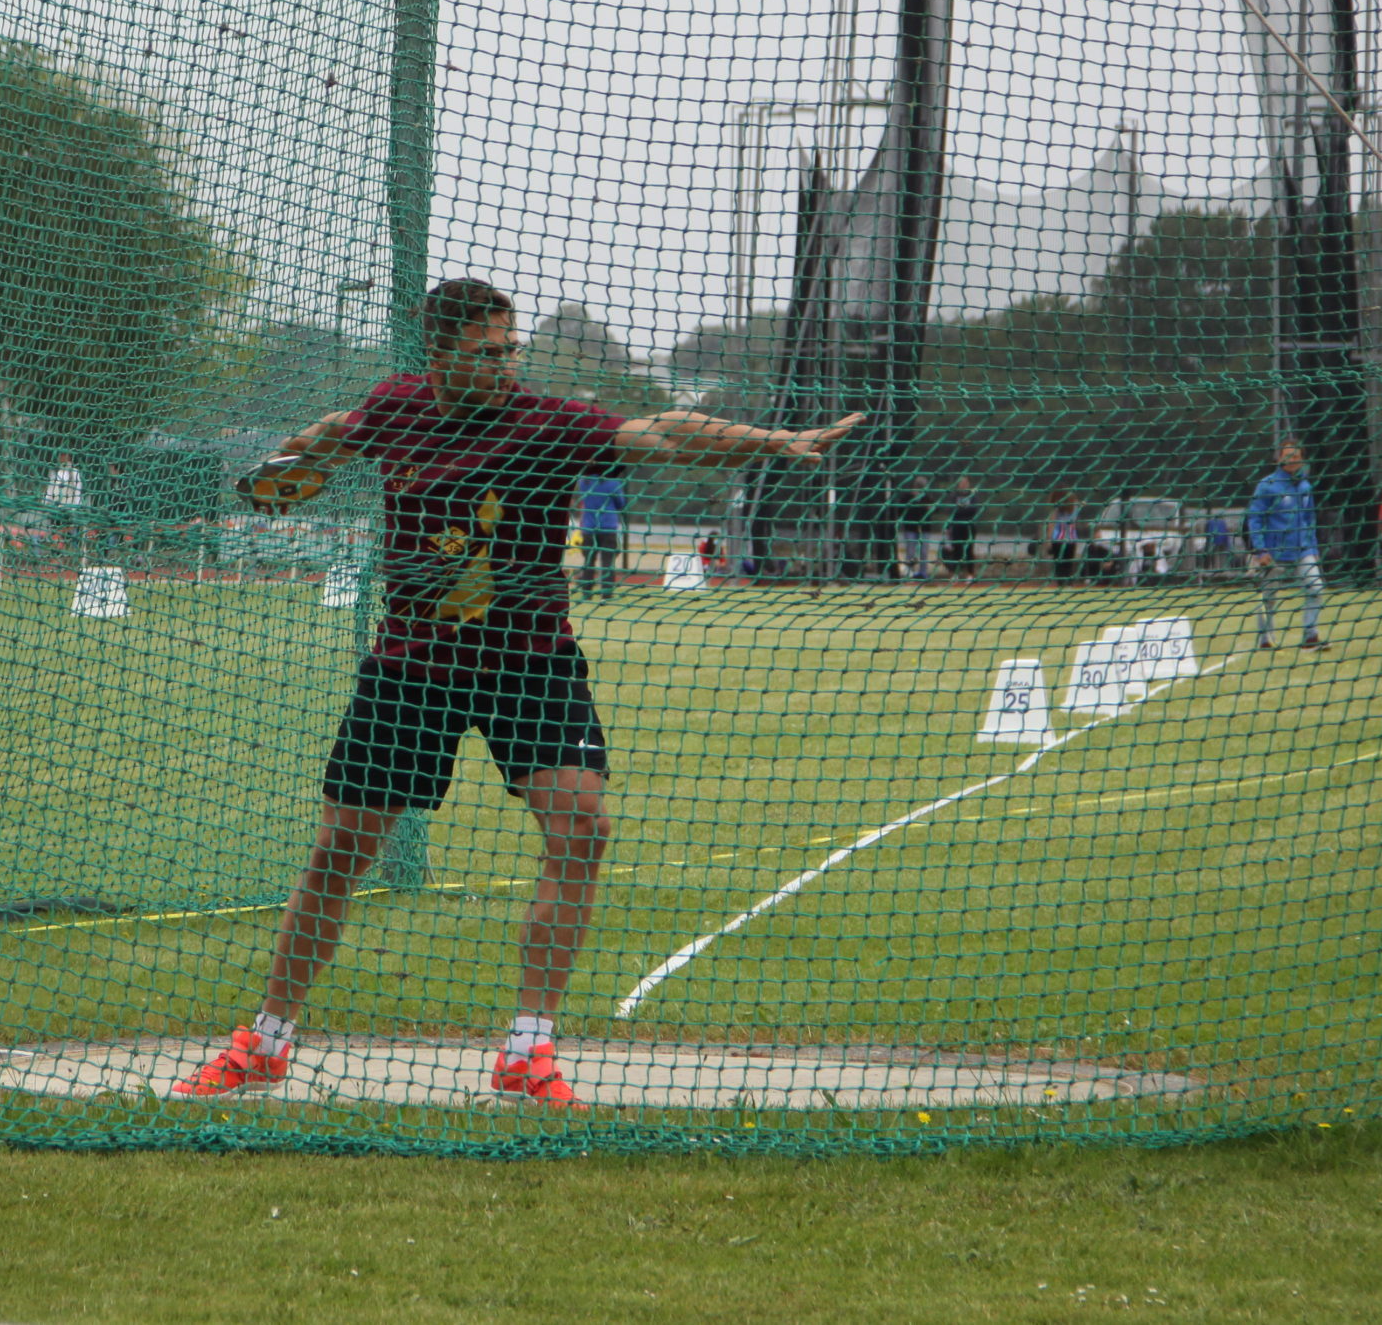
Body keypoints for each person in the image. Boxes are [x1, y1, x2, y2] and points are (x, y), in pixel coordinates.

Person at [170, 278, 866, 1107]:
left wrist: (774, 442)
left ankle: (526, 1050)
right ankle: (266, 1042)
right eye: (485, 353)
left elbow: (668, 433)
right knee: (339, 852)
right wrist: (289, 465)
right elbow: (333, 433)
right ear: (438, 353)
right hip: (412, 667)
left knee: (583, 826)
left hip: (529, 664)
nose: (504, 365)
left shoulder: (550, 422)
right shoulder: (397, 407)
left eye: (510, 351)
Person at [1247, 440, 1327, 651]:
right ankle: (1266, 640)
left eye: (1297, 456)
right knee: (1269, 598)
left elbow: (1310, 520)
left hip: (1303, 550)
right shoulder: (1267, 486)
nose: (1293, 460)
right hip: (1275, 553)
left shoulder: (1305, 486)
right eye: (1289, 456)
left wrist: (1314, 548)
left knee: (1315, 588)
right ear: (1279, 458)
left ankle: (1310, 637)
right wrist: (1261, 550)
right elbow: (1255, 519)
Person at [574, 471, 626, 597]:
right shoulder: (613, 483)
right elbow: (621, 503)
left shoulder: (583, 482)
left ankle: (586, 592)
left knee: (588, 561)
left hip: (589, 528)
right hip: (608, 527)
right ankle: (606, 593)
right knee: (607, 562)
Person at [896, 476, 935, 582]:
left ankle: (923, 573)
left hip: (924, 528)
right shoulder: (907, 496)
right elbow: (900, 509)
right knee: (910, 552)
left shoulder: (927, 496)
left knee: (924, 552)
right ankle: (910, 573)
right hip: (910, 527)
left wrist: (930, 508)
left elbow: (934, 509)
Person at [943, 475, 980, 582]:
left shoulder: (972, 495)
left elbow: (973, 510)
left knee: (969, 550)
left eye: (965, 483)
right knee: (957, 550)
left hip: (969, 526)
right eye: (961, 483)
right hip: (956, 526)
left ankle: (970, 574)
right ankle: (955, 573)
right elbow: (951, 510)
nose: (963, 485)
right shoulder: (954, 496)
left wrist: (961, 509)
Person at [1044, 490, 1082, 583]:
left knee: (1061, 563)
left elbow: (1051, 524)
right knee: (1066, 562)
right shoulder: (1072, 507)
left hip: (1062, 538)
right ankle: (1066, 583)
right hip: (1067, 538)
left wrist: (1048, 539)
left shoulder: (1060, 508)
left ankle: (1063, 583)